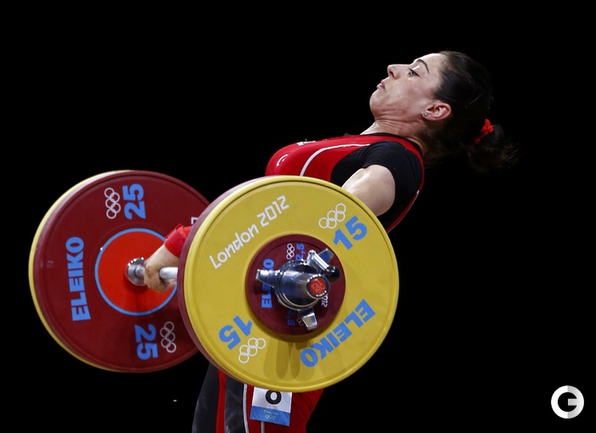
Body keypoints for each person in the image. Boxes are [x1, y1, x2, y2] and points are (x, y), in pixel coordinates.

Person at [142, 50, 520, 432]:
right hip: (257, 322)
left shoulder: (395, 161)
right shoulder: (370, 148)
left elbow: (314, 223)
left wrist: (181, 243)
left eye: (414, 72)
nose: (394, 68)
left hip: (282, 332)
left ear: (435, 110)